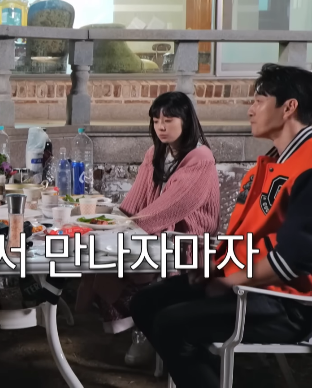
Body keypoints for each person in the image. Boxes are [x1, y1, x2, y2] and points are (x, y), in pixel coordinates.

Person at [130, 63, 312, 388]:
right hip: (250, 285)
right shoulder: (274, 162)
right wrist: (213, 269)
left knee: (171, 325)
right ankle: (209, 377)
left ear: (288, 107)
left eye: (259, 100)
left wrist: (229, 282)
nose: (250, 109)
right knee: (145, 303)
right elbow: (248, 238)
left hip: (287, 304)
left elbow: (295, 259)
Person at [75, 91, 220, 366]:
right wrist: (113, 220)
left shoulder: (201, 157)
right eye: (156, 121)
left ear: (186, 121)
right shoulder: (155, 152)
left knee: (123, 257)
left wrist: (127, 226)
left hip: (187, 242)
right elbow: (135, 201)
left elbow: (172, 207)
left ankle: (146, 330)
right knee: (103, 254)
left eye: (168, 120)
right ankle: (143, 326)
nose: (161, 127)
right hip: (153, 234)